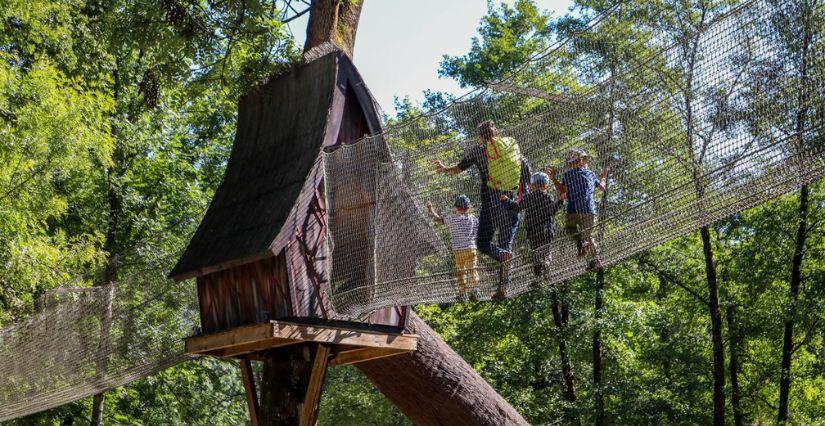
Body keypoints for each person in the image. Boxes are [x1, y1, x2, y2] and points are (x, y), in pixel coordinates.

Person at [434, 120, 530, 300]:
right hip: (511, 206)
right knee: (505, 246)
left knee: (483, 243)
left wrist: (444, 168)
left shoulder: (480, 151)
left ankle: (503, 256)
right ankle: (503, 287)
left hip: (491, 205)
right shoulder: (515, 154)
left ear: (481, 137)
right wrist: (520, 203)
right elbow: (527, 179)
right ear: (497, 133)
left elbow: (457, 169)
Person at [500, 170, 565, 278]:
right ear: (546, 186)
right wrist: (560, 201)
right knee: (546, 251)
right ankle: (546, 268)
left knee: (536, 252)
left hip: (533, 230)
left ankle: (538, 276)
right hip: (547, 229)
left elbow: (517, 208)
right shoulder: (547, 197)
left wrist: (507, 201)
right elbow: (552, 210)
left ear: (532, 185)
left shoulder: (528, 197)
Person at [549, 148, 608, 261]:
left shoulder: (568, 174)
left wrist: (553, 179)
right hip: (589, 210)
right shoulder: (590, 174)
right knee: (588, 236)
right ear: (581, 161)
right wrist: (604, 177)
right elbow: (602, 187)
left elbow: (563, 192)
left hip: (573, 210)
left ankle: (581, 242)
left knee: (570, 228)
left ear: (571, 163)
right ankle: (594, 260)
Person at [426, 195, 480, 300]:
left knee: (460, 271)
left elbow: (438, 220)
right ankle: (476, 290)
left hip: (458, 250)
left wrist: (431, 209)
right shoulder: (473, 219)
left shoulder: (452, 218)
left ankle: (463, 293)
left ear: (456, 208)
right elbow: (478, 230)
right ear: (468, 207)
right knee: (473, 269)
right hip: (471, 248)